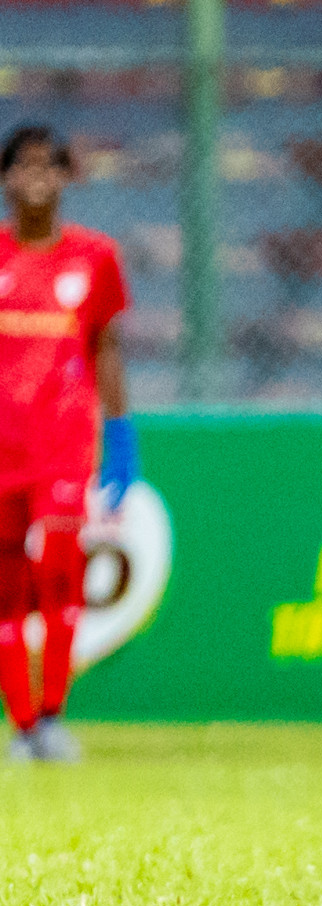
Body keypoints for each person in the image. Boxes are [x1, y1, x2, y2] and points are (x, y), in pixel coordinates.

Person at [0, 124, 136, 762]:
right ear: (5, 178)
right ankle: (21, 726)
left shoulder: (95, 257)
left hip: (60, 444)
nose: (35, 177)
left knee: (58, 577)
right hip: (3, 452)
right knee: (6, 588)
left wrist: (122, 433)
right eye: (22, 165)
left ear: (65, 179)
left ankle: (52, 716)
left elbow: (105, 347)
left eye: (49, 166)